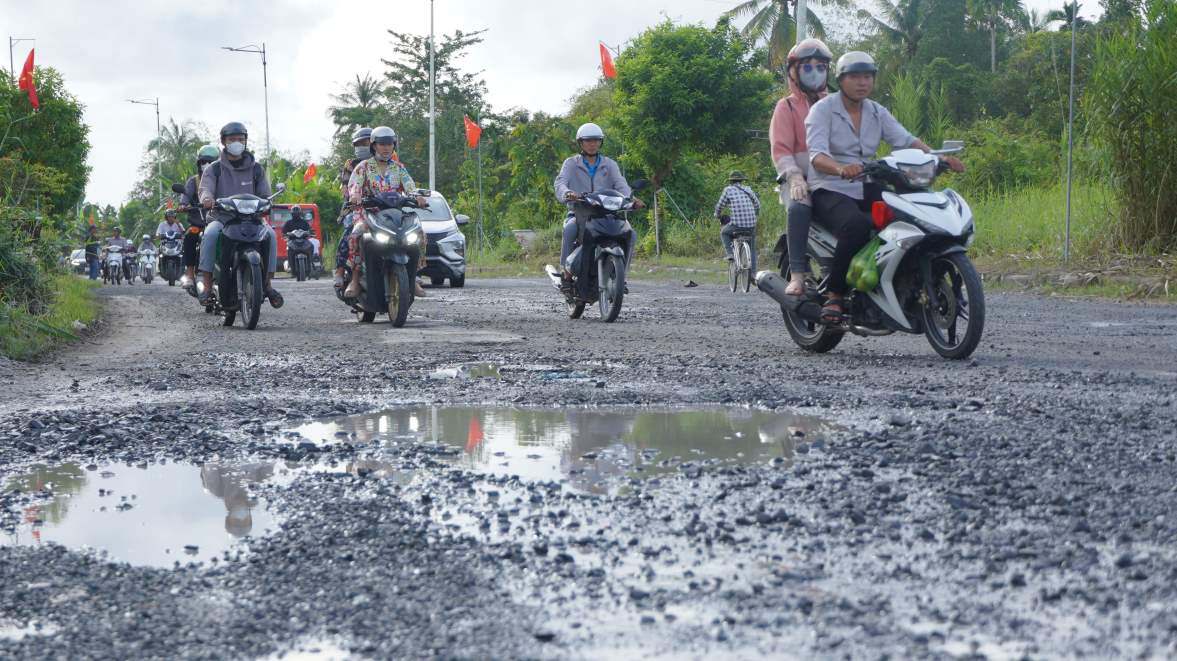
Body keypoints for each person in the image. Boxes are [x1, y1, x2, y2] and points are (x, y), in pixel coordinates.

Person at [805, 51, 964, 323]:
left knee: (909, 214)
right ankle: (835, 294)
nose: (862, 82)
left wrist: (938, 158)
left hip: (865, 182)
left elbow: (906, 140)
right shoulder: (823, 110)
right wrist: (841, 168)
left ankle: (903, 278)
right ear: (841, 80)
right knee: (855, 225)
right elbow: (816, 156)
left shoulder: (877, 111)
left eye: (867, 76)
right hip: (829, 186)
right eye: (855, 76)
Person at [770, 39, 833, 296]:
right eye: (807, 68)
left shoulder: (836, 104)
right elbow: (781, 150)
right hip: (800, 181)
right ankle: (797, 273)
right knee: (798, 208)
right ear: (794, 72)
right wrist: (795, 177)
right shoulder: (785, 107)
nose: (815, 72)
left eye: (820, 67)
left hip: (833, 178)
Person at [197, 122, 283, 309]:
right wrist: (207, 199)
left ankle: (267, 284)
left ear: (245, 141)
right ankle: (207, 286)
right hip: (222, 218)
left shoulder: (256, 169)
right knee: (210, 234)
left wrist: (268, 202)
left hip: (252, 219)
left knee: (270, 235)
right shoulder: (214, 169)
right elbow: (205, 189)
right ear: (223, 142)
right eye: (232, 139)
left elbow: (265, 195)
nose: (237, 142)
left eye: (240, 139)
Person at [553, 123, 643, 293]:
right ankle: (566, 275)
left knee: (631, 234)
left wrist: (631, 199)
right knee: (570, 229)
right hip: (581, 212)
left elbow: (621, 184)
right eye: (587, 141)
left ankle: (621, 277)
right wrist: (568, 193)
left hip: (606, 213)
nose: (592, 144)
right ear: (581, 143)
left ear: (600, 142)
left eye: (596, 140)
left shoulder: (610, 164)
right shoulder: (571, 163)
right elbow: (560, 183)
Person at [344, 126, 429, 299]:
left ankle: (413, 277)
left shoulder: (398, 167)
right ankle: (355, 279)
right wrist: (355, 197)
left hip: (393, 214)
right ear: (374, 146)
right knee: (356, 234)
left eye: (389, 144)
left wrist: (418, 197)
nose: (386, 147)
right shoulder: (363, 167)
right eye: (382, 144)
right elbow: (354, 187)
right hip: (368, 213)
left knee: (420, 233)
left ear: (394, 146)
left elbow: (410, 186)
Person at [335, 127, 371, 288]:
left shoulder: (390, 163)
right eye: (359, 144)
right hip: (355, 206)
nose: (362, 146)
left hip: (381, 207)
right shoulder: (351, 164)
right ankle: (340, 270)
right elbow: (345, 187)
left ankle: (410, 273)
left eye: (366, 143)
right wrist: (354, 197)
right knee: (350, 232)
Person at [179, 144, 219, 288]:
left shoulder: (222, 179)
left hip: (218, 220)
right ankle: (190, 274)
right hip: (198, 222)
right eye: (203, 162)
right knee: (190, 237)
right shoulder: (193, 181)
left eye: (211, 162)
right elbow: (185, 196)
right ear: (199, 163)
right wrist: (183, 205)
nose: (206, 165)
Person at [713, 170, 761, 272]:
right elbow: (757, 204)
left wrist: (717, 215)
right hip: (751, 224)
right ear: (741, 180)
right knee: (752, 248)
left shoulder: (728, 190)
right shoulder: (748, 189)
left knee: (724, 232)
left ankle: (730, 254)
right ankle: (753, 274)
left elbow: (720, 206)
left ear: (731, 181)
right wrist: (755, 215)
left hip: (737, 224)